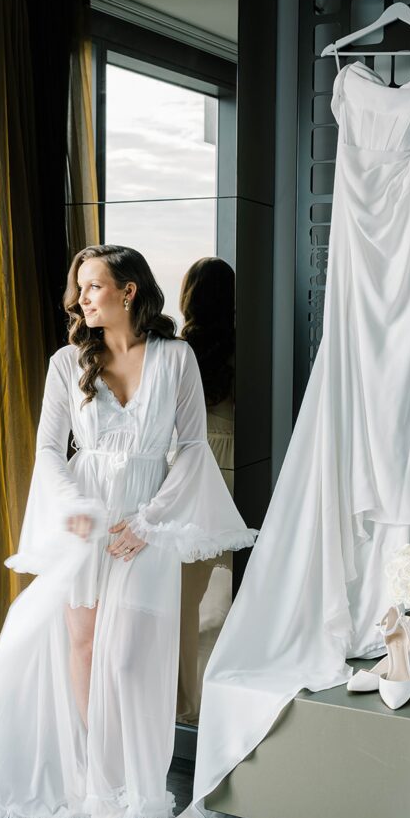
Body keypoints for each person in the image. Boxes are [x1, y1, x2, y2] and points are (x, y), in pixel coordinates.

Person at [0, 244, 257, 818]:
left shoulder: (177, 360)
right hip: (86, 523)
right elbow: (49, 450)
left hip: (145, 527)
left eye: (94, 286)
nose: (81, 299)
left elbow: (192, 450)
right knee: (83, 645)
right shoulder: (66, 363)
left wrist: (149, 524)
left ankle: (134, 781)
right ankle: (103, 794)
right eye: (80, 288)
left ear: (129, 291)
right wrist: (75, 507)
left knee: (127, 659)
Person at [176, 257, 235, 725]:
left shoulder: (181, 349)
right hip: (244, 466)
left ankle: (187, 704)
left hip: (198, 468)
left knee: (186, 596)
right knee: (240, 582)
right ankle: (229, 693)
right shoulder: (247, 343)